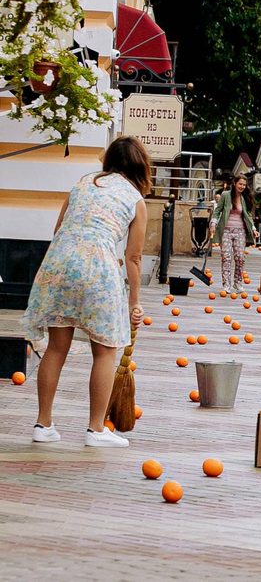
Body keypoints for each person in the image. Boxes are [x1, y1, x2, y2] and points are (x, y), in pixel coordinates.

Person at [21, 136, 151, 448]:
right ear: (140, 167)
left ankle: (43, 424)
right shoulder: (135, 199)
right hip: (99, 270)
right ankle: (96, 429)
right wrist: (135, 302)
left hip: (59, 263)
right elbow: (133, 258)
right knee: (105, 351)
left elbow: (59, 229)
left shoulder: (82, 182)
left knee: (56, 347)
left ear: (109, 161)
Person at [209, 173, 259, 292]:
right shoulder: (225, 196)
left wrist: (253, 229)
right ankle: (227, 284)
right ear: (235, 184)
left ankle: (238, 282)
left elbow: (248, 216)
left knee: (240, 258)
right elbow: (217, 211)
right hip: (225, 230)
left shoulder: (245, 198)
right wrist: (213, 224)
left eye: (244, 185)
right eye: (240, 184)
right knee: (226, 257)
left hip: (240, 231)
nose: (242, 186)